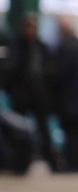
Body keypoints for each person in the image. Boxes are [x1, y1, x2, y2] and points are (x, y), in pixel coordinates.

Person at [8, 15, 60, 171]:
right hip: (22, 95)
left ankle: (52, 162)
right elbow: (12, 70)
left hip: (39, 95)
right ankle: (18, 162)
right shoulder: (18, 46)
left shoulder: (42, 47)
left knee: (43, 129)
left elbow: (49, 70)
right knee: (18, 129)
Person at [53, 16, 78, 173]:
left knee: (70, 132)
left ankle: (70, 162)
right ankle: (77, 162)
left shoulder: (65, 48)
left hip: (67, 97)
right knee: (77, 132)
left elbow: (60, 73)